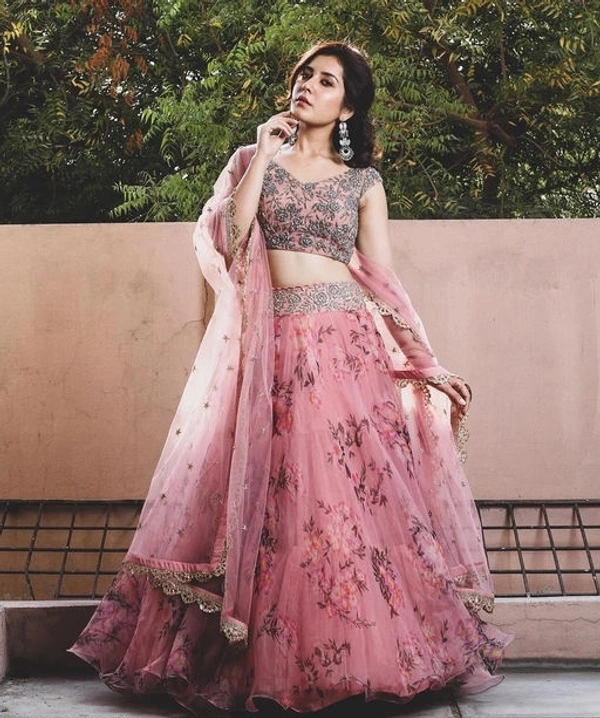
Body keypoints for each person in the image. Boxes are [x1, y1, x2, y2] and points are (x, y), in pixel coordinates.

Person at [70, 42, 511, 713]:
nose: (309, 84)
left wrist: (426, 360)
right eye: (306, 74)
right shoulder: (254, 160)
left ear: (348, 107)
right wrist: (261, 154)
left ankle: (364, 660)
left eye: (327, 80)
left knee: (349, 502)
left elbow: (382, 282)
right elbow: (228, 241)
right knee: (279, 500)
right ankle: (272, 664)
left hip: (347, 354)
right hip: (273, 352)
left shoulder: (363, 182)